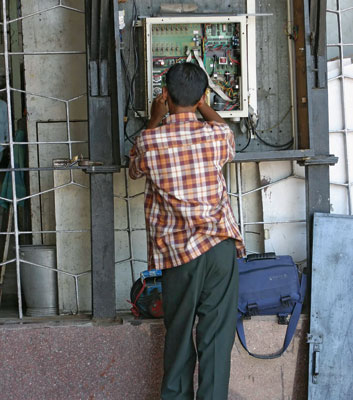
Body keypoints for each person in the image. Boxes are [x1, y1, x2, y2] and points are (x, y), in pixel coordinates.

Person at [129, 62, 246, 400]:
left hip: (179, 255)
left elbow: (134, 167)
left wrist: (154, 117)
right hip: (220, 249)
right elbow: (223, 128)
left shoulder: (150, 142)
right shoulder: (217, 135)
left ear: (164, 95)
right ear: (202, 97)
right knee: (216, 341)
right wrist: (203, 104)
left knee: (179, 338)